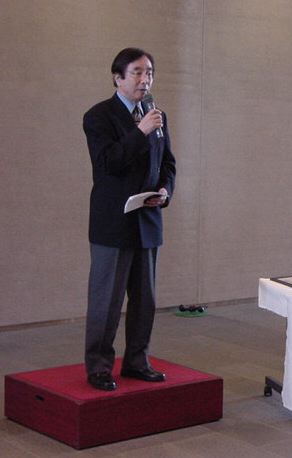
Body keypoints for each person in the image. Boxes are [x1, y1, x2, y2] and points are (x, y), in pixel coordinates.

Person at [82, 48, 176, 391]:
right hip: (113, 222)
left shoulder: (156, 115)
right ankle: (98, 367)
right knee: (106, 300)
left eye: (149, 72)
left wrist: (165, 190)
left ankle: (137, 361)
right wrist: (141, 131)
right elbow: (109, 162)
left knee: (144, 300)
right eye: (137, 72)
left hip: (147, 220)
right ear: (117, 77)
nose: (145, 79)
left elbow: (168, 163)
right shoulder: (98, 116)